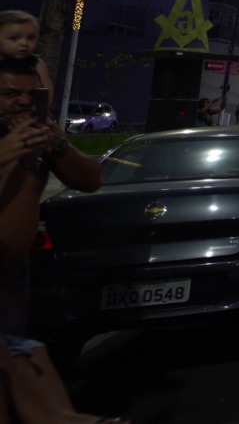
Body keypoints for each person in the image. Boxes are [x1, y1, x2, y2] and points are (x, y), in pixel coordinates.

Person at [0, 55, 120, 422]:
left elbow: (90, 180)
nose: (22, 102)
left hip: (12, 281)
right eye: (8, 94)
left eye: (28, 94)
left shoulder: (40, 138)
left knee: (27, 356)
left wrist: (57, 145)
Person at [0, 9, 54, 115]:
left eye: (30, 38)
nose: (24, 43)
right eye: (14, 38)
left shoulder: (37, 64)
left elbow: (47, 96)